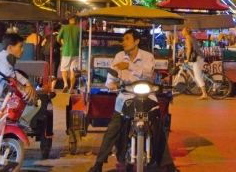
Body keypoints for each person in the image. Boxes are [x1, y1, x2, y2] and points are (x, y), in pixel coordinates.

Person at [88, 29, 178, 172]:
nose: (124, 42)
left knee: (158, 129)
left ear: (136, 41)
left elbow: (149, 74)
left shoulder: (147, 56)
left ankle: (170, 166)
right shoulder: (119, 56)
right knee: (112, 130)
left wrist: (130, 66)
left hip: (147, 97)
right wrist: (111, 83)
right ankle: (98, 164)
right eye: (123, 39)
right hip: (126, 98)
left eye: (127, 39)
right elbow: (111, 76)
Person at [0, 33, 37, 117]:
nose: (22, 50)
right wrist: (28, 85)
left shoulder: (2, 58)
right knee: (33, 105)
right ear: (10, 48)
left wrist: (27, 85)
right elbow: (11, 75)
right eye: (20, 46)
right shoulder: (3, 61)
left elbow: (12, 74)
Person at [182, 27, 207, 100]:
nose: (182, 32)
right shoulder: (192, 37)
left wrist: (187, 59)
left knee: (197, 77)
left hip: (196, 58)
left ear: (186, 32)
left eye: (183, 31)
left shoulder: (187, 38)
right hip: (199, 57)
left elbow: (189, 50)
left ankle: (204, 93)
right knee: (194, 71)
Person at [57, 16, 81, 93]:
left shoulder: (64, 28)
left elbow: (58, 39)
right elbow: (84, 40)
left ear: (69, 20)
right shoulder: (79, 28)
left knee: (64, 69)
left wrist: (62, 44)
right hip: (76, 52)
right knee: (73, 70)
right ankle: (71, 88)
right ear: (76, 21)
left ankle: (65, 84)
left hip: (66, 52)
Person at [42, 24, 61, 90]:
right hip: (55, 54)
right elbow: (61, 43)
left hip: (47, 54)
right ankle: (52, 88)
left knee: (47, 70)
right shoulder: (58, 36)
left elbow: (42, 44)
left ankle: (46, 86)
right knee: (54, 70)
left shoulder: (47, 36)